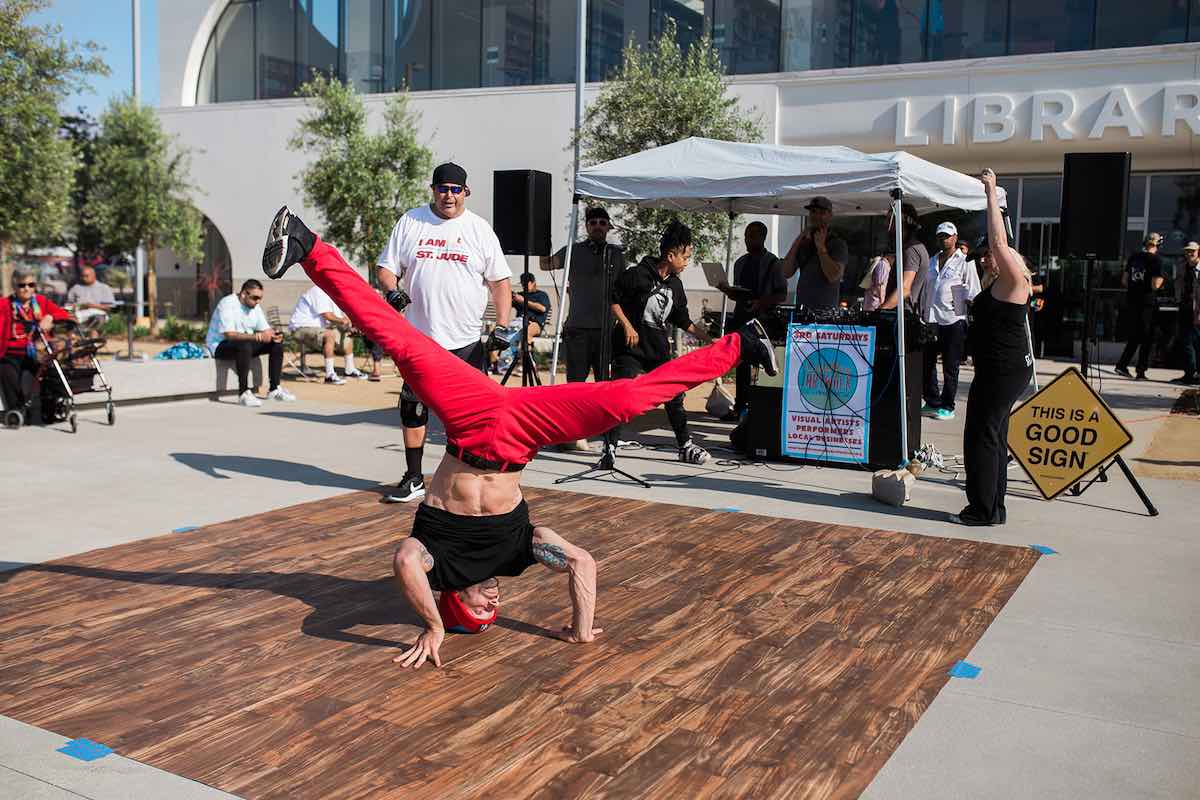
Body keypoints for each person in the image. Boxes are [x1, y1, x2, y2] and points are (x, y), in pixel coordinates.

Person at [261, 205, 779, 667]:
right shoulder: (517, 556)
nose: (494, 605)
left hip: (468, 417)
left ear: (456, 600)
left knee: (398, 338)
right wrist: (581, 629)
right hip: (522, 431)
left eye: (481, 609)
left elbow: (402, 562)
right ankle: (741, 345)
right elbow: (580, 561)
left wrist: (435, 626)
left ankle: (306, 243)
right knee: (624, 400)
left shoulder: (433, 561)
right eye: (493, 611)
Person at [376, 162, 513, 504]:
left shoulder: (479, 229)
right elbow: (385, 269)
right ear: (433, 189)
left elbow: (500, 283)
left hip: (465, 342)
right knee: (412, 408)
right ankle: (413, 477)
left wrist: (502, 326)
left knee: (473, 415)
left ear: (465, 192)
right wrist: (392, 291)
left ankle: (471, 476)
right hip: (420, 339)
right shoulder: (411, 221)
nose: (448, 195)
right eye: (442, 188)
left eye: (455, 189)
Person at [954, 169, 1034, 527]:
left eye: (996, 257)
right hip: (1001, 370)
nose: (989, 259)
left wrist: (991, 194)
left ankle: (982, 510)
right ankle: (994, 509)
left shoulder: (1015, 283)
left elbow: (1000, 244)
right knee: (995, 436)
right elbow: (998, 250)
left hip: (1001, 372)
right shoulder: (1002, 285)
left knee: (981, 436)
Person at [605, 220, 715, 465]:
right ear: (670, 255)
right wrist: (627, 325)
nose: (687, 262)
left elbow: (682, 320)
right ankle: (610, 447)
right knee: (620, 396)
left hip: (657, 351)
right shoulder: (637, 275)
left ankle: (684, 445)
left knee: (674, 395)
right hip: (629, 350)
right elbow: (614, 300)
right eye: (685, 257)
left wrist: (709, 340)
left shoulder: (675, 284)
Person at [540, 206, 626, 451]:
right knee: (575, 386)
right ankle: (573, 434)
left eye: (602, 222)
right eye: (593, 222)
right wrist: (539, 240)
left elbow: (623, 291)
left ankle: (607, 438)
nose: (597, 225)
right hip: (577, 328)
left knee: (604, 387)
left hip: (605, 331)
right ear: (587, 226)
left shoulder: (616, 255)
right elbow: (547, 265)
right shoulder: (572, 251)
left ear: (608, 226)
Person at [716, 221, 787, 420]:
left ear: (763, 237)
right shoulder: (740, 263)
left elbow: (781, 294)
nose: (748, 239)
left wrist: (760, 302)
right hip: (742, 317)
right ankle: (740, 406)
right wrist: (727, 290)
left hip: (763, 321)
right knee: (741, 364)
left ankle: (760, 409)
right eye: (747, 235)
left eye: (753, 236)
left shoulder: (773, 263)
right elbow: (737, 294)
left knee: (764, 365)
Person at [920, 222, 981, 421]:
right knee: (927, 363)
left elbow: (973, 292)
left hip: (953, 320)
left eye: (947, 236)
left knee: (950, 365)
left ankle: (948, 405)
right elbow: (926, 288)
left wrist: (962, 309)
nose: (944, 239)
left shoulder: (965, 262)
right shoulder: (932, 260)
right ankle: (931, 400)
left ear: (955, 237)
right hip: (930, 319)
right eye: (940, 236)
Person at [205, 279, 296, 407]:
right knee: (245, 344)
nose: (258, 301)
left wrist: (273, 335)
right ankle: (243, 393)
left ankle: (274, 389)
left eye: (260, 298)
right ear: (243, 294)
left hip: (243, 345)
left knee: (275, 344)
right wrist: (257, 336)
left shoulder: (254, 307)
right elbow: (229, 335)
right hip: (220, 345)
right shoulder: (227, 303)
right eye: (255, 298)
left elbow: (265, 329)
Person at [1, 269, 70, 419]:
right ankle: (16, 411)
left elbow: (64, 314)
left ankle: (50, 409)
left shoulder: (41, 301)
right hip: (12, 352)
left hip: (38, 351)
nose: (27, 288)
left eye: (31, 284)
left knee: (51, 371)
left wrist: (51, 316)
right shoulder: (4, 304)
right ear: (14, 286)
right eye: (22, 285)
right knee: (6, 371)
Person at [289, 283, 365, 384]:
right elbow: (327, 315)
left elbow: (338, 321)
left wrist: (350, 328)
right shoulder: (318, 290)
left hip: (318, 329)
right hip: (300, 328)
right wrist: (343, 321)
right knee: (329, 334)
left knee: (346, 333)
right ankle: (329, 375)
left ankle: (349, 370)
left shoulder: (332, 295)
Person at [1114, 233, 1166, 380]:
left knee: (1135, 335)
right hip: (1147, 303)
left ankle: (1122, 365)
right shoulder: (1157, 260)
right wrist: (1162, 281)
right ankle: (1141, 371)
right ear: (1158, 244)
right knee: (1147, 337)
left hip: (1132, 301)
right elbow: (1155, 285)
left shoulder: (1134, 257)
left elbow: (1124, 280)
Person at [782, 196, 847, 310]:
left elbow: (833, 276)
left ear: (830, 216)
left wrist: (821, 248)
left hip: (825, 315)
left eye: (821, 212)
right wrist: (799, 239)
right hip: (802, 312)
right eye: (813, 212)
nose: (816, 216)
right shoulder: (804, 243)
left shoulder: (837, 244)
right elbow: (786, 272)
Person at [1170, 241, 1199, 385]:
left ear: (1198, 252)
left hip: (1197, 309)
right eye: (1187, 251)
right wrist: (1178, 299)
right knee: (1186, 341)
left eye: (1192, 251)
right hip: (1185, 307)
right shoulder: (1182, 267)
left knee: (1194, 341)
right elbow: (1178, 284)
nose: (1189, 254)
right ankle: (1190, 372)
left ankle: (1193, 372)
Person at [65, 266, 115, 331]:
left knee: (96, 318)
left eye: (86, 276)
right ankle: (71, 338)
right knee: (68, 317)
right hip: (78, 312)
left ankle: (93, 339)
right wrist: (75, 307)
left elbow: (108, 307)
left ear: (94, 275)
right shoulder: (76, 288)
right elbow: (68, 304)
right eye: (82, 276)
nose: (84, 278)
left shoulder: (104, 288)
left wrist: (91, 306)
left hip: (98, 313)